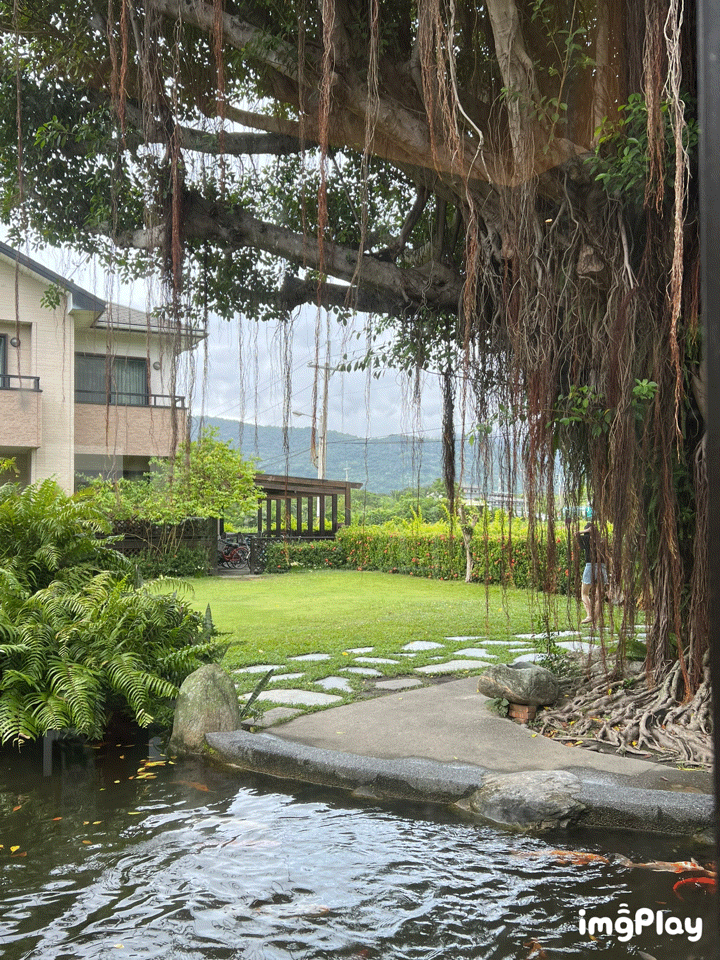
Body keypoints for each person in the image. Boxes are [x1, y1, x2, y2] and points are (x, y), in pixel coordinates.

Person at [577, 521, 607, 626]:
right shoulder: (602, 540)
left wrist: (586, 531)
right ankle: (596, 621)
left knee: (584, 593)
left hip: (590, 566)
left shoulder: (586, 539)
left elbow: (576, 534)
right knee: (599, 595)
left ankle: (589, 615)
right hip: (602, 567)